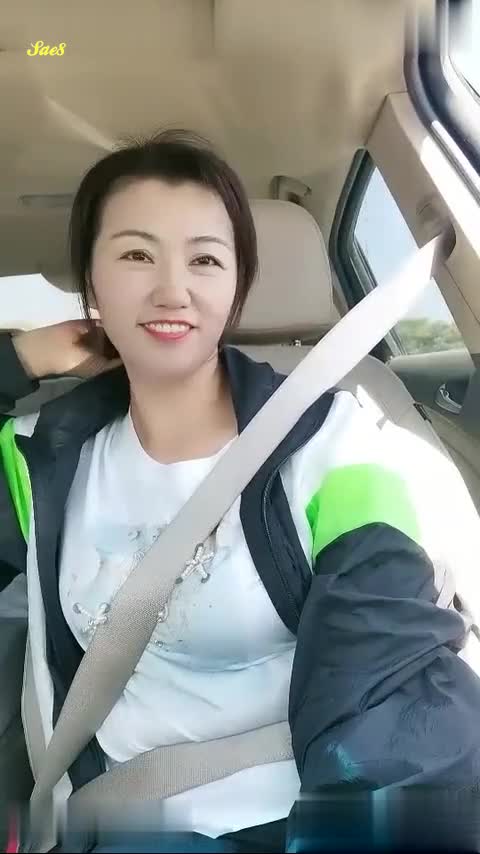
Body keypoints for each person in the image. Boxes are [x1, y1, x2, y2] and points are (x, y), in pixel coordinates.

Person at [1, 129, 480, 854]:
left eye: (205, 260)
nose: (173, 290)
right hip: (129, 820)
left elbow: (390, 673)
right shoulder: (40, 456)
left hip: (313, 810)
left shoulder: (336, 444)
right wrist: (20, 357)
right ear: (90, 285)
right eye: (136, 255)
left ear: (237, 285)